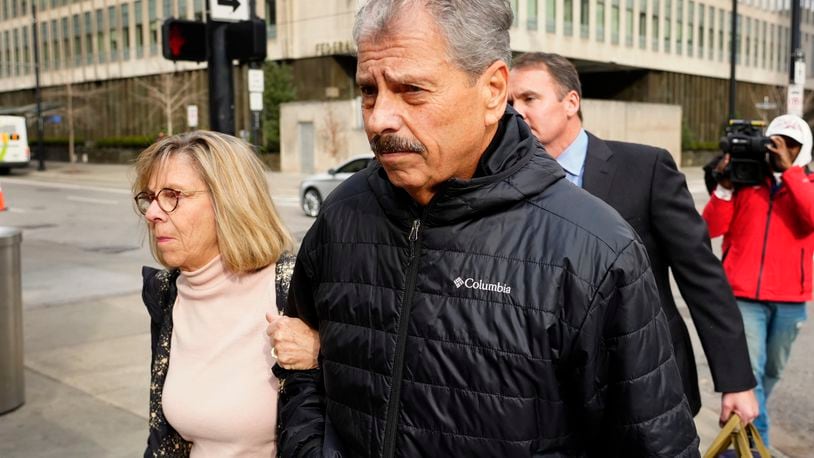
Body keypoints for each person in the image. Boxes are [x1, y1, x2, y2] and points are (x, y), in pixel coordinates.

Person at [276, 1, 699, 456]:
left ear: (494, 90)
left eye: (412, 90)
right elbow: (303, 363)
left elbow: (654, 443)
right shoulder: (343, 214)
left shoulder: (594, 248)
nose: (379, 118)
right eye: (368, 91)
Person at [507, 52, 759, 427]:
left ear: (571, 102)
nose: (516, 112)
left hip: (645, 384)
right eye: (510, 102)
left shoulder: (645, 169)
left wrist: (736, 381)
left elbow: (701, 277)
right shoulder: (504, 180)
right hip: (544, 393)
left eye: (529, 98)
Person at [133, 130, 319, 457]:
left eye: (172, 195)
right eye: (150, 197)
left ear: (228, 200)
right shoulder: (166, 294)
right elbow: (165, 438)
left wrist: (323, 352)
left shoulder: (296, 286)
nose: (152, 213)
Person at [703, 114, 813, 444]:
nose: (783, 150)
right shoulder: (747, 179)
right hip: (742, 295)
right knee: (749, 377)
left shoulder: (806, 183)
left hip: (791, 299)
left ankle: (743, 422)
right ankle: (757, 442)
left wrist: (790, 172)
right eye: (777, 142)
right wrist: (724, 187)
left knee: (770, 373)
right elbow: (709, 229)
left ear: (803, 150)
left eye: (791, 145)